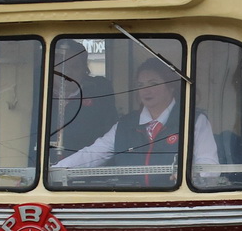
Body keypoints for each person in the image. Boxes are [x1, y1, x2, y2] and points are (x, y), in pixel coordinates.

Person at [53, 60, 218, 186]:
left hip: (174, 202)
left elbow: (208, 164)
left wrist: (193, 176)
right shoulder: (125, 123)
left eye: (153, 84)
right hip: (131, 202)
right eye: (140, 85)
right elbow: (94, 153)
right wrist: (56, 170)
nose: (146, 90)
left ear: (171, 86)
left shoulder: (194, 120)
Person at [50, 41, 118, 160]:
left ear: (84, 71)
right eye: (62, 65)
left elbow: (107, 140)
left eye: (75, 67)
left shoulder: (100, 98)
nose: (67, 72)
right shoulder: (36, 95)